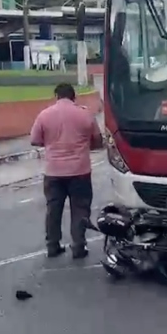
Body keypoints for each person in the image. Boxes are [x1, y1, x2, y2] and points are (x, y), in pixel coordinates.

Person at [30, 83, 104, 258]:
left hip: (53, 172)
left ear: (56, 96)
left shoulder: (44, 115)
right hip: (80, 171)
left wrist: (52, 143)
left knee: (53, 210)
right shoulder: (85, 114)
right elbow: (98, 141)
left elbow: (35, 140)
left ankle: (52, 245)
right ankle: (78, 246)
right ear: (74, 97)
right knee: (80, 209)